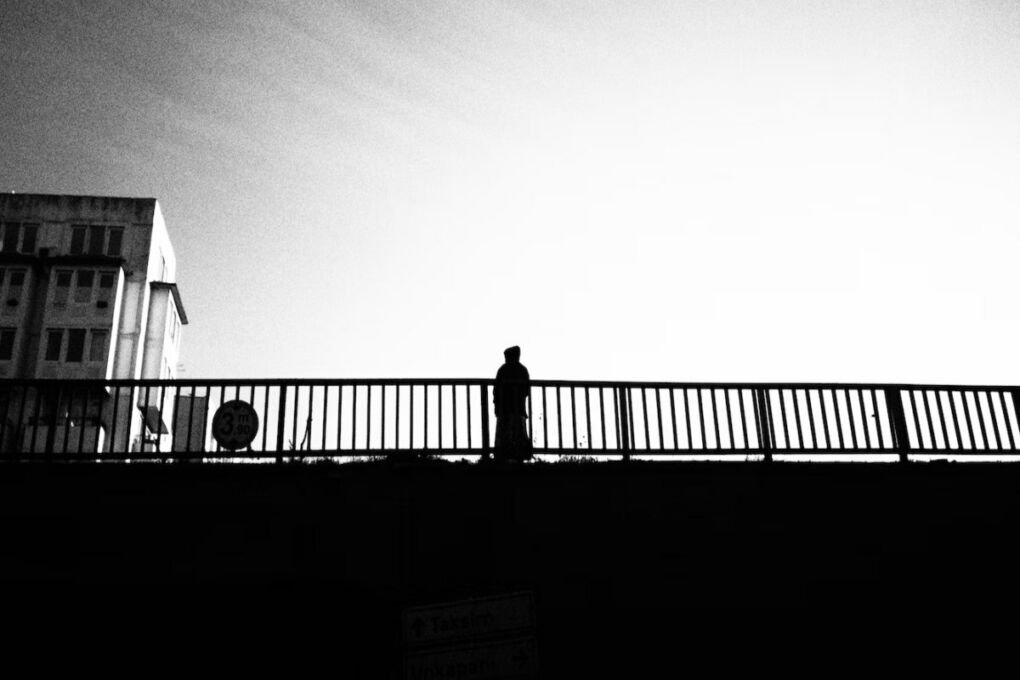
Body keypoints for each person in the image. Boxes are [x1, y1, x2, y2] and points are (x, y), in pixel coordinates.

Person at [493, 345, 532, 462]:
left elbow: (496, 390)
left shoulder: (502, 369)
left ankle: (502, 455)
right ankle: (519, 455)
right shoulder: (522, 370)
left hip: (504, 409)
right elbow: (526, 390)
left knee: (504, 434)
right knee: (518, 433)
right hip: (518, 408)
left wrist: (496, 404)